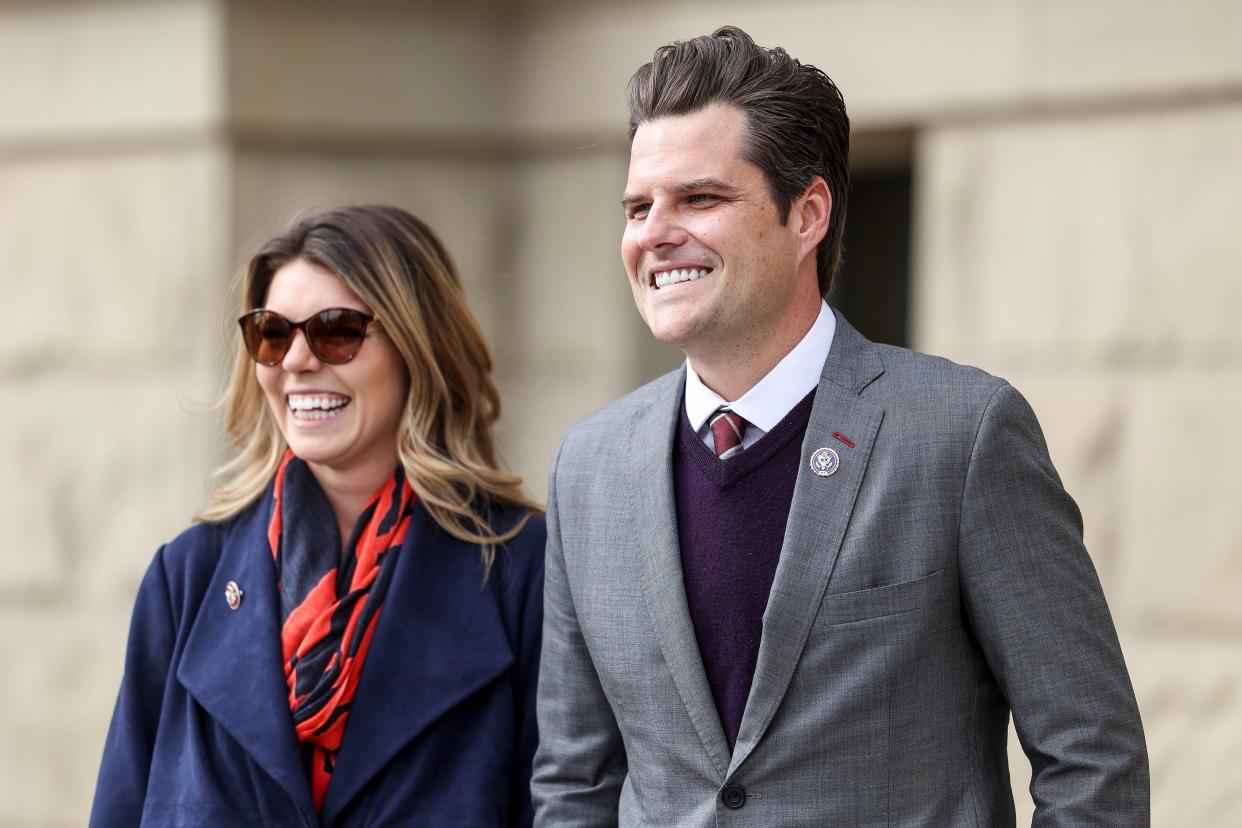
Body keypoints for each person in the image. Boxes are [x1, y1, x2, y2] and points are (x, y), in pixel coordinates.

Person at [532, 26, 1148, 826]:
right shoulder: (588, 467)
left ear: (808, 214)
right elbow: (572, 784)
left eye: (700, 199)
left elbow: (1092, 756)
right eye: (639, 206)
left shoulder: (961, 436)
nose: (654, 232)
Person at [91, 205, 545, 827]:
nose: (297, 361)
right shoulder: (187, 578)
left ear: (419, 348)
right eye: (272, 334)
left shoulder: (523, 573)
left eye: (336, 330)